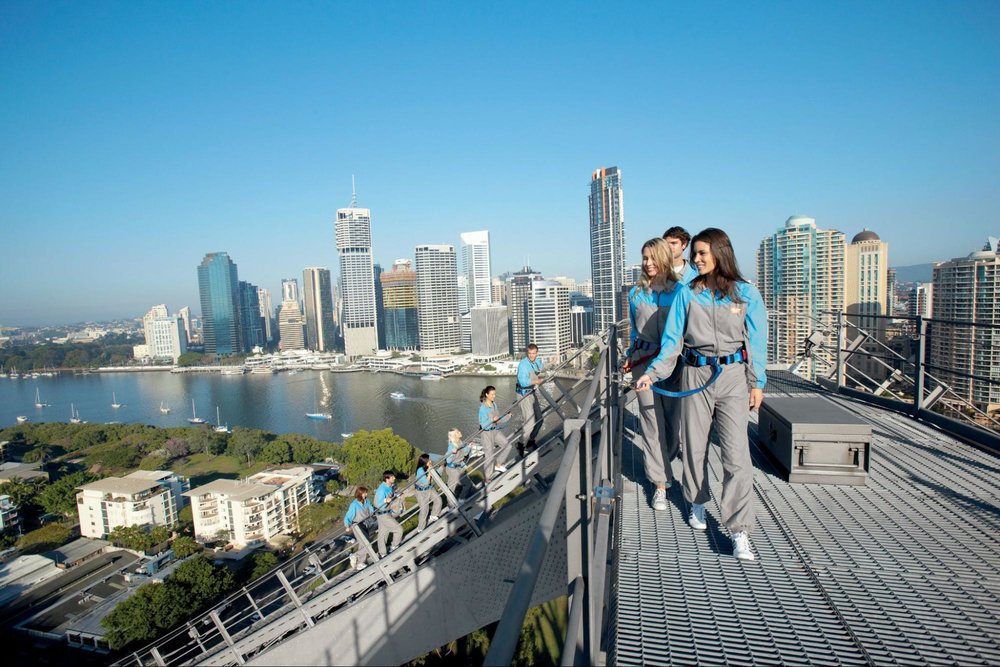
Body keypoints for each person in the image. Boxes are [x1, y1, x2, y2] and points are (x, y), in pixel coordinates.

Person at [636, 227, 768, 562]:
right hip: (694, 372)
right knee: (694, 445)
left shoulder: (745, 294)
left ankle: (739, 531)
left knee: (736, 454)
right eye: (694, 254)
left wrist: (758, 383)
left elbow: (756, 342)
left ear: (721, 253)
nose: (695, 259)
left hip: (733, 378)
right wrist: (652, 374)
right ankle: (696, 500)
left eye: (702, 254)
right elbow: (672, 341)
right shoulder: (688, 294)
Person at [626, 238, 685, 511]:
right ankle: (660, 483)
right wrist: (630, 355)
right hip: (643, 364)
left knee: (673, 423)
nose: (648, 263)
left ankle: (666, 457)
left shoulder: (681, 292)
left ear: (663, 258)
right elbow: (634, 331)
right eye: (644, 258)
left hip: (675, 365)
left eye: (652, 257)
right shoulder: (636, 294)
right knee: (651, 422)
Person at [515, 343, 546, 451]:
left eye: (533, 353)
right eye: (529, 353)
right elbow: (522, 382)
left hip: (531, 392)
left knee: (540, 419)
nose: (531, 355)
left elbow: (540, 367)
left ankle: (530, 441)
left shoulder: (536, 361)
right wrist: (536, 381)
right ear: (527, 353)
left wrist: (551, 362)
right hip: (523, 394)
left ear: (537, 353)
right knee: (529, 422)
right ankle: (521, 444)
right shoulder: (523, 365)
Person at [478, 385, 512, 477]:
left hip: (495, 430)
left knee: (507, 446)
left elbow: (498, 419)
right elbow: (483, 425)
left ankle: (498, 464)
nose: (494, 396)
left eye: (494, 394)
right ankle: (488, 478)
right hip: (486, 433)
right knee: (489, 456)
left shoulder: (494, 404)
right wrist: (492, 420)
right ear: (487, 395)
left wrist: (508, 416)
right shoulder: (483, 408)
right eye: (492, 394)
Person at [343, 486, 374, 570]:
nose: (366, 494)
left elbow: (371, 509)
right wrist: (347, 526)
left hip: (365, 523)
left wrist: (373, 512)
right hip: (357, 526)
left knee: (362, 544)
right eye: (365, 493)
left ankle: (356, 558)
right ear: (360, 494)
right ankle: (359, 561)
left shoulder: (367, 501)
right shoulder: (354, 505)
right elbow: (348, 517)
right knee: (366, 543)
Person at [373, 470, 404, 557]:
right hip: (383, 513)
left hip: (386, 512)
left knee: (383, 534)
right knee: (399, 530)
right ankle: (394, 546)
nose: (394, 478)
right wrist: (385, 500)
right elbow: (378, 504)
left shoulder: (389, 486)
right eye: (392, 477)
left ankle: (382, 553)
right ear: (387, 479)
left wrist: (397, 496)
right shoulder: (381, 490)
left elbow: (391, 496)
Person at [414, 453, 443, 531]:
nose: (431, 461)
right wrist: (430, 472)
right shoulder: (420, 470)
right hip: (421, 492)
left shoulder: (428, 467)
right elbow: (426, 482)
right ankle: (420, 528)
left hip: (429, 488)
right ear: (425, 462)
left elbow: (436, 475)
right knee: (424, 509)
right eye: (429, 460)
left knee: (438, 500)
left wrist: (441, 468)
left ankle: (434, 515)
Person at [444, 428, 472, 497]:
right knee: (467, 484)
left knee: (451, 488)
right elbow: (448, 460)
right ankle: (460, 499)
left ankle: (451, 504)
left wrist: (469, 447)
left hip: (459, 467)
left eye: (459, 431)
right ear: (454, 436)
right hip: (452, 469)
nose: (460, 432)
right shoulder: (451, 446)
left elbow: (465, 454)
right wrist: (453, 453)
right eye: (457, 432)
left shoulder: (460, 442)